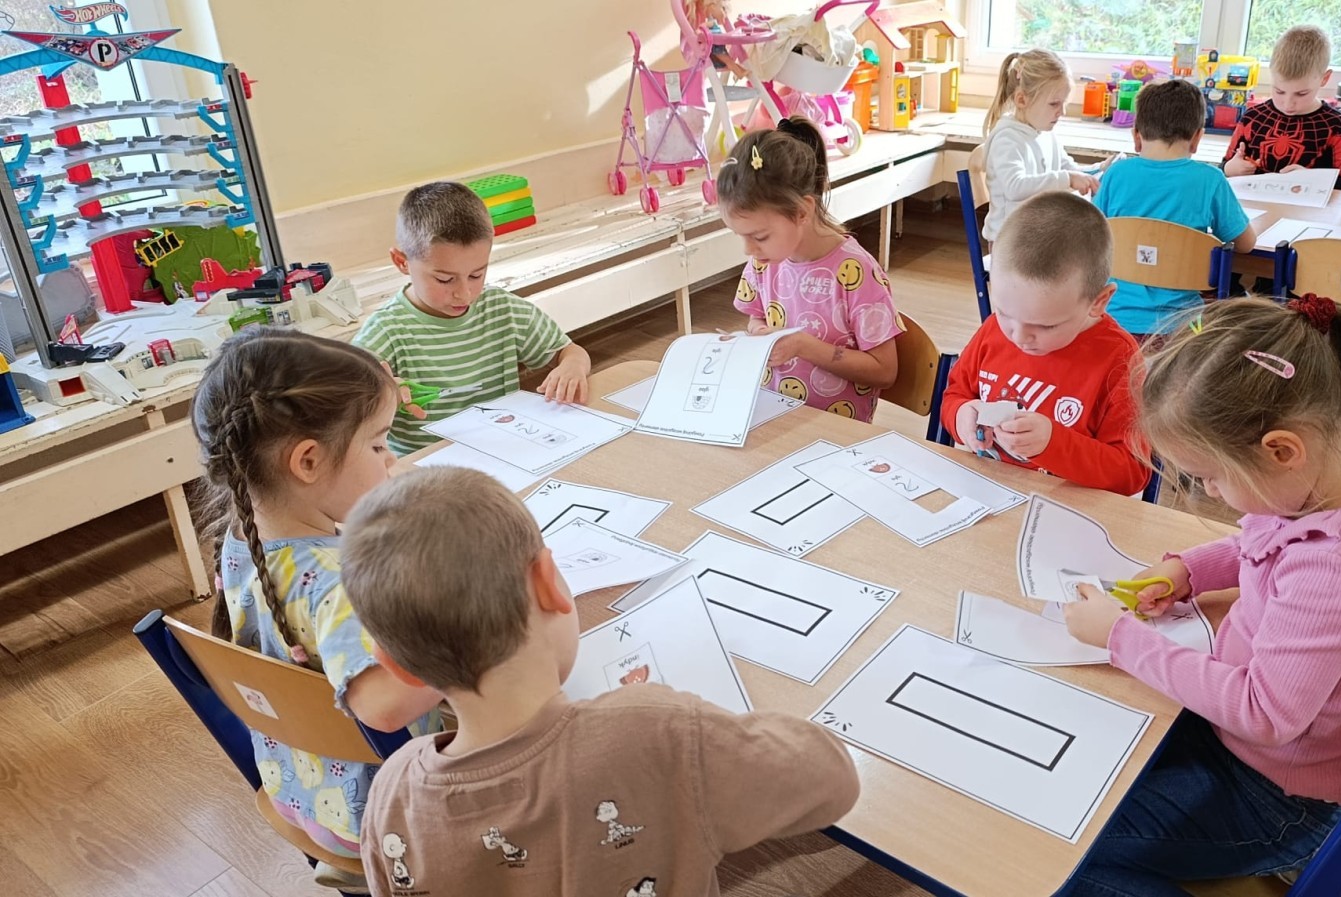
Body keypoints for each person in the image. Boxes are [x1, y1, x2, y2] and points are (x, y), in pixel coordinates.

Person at [1060, 295, 1341, 896]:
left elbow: (1265, 715)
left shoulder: (1340, 565)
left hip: (1269, 797)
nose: (1212, 493)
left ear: (1281, 450)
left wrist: (1121, 639)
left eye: (1210, 477)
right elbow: (1263, 540)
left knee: (1058, 847)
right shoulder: (1336, 477)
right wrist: (1188, 570)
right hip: (1232, 744)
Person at [342, 466, 860, 897]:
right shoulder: (659, 732)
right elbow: (832, 780)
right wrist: (701, 727)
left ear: (397, 665)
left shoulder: (392, 793)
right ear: (549, 583)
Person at [190, 328, 444, 891]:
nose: (391, 458)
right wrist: (475, 637)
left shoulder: (243, 537)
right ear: (307, 461)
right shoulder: (338, 583)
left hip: (298, 787)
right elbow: (384, 708)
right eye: (377, 445)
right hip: (378, 814)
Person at [354, 181, 591, 455]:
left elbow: (570, 351)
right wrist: (380, 397)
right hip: (425, 468)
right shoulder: (386, 330)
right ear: (402, 262)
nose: (464, 294)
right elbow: (340, 402)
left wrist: (573, 366)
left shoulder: (502, 309)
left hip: (503, 451)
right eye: (445, 279)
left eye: (477, 275)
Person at [940, 192, 1147, 495]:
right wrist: (961, 416)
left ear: (1098, 302)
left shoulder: (1120, 361)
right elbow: (955, 395)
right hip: (986, 495)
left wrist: (1053, 444)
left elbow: (1131, 473)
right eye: (1004, 312)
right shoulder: (995, 331)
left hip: (1065, 509)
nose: (1019, 337)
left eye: (1045, 325)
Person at [719, 118, 902, 422]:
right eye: (740, 235)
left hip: (835, 433)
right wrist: (760, 333)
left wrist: (804, 346)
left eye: (759, 236)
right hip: (773, 417)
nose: (748, 249)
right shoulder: (765, 261)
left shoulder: (855, 272)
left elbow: (885, 371)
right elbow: (756, 316)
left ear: (801, 211)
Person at [1095, 80, 1258, 338]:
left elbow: (1092, 235)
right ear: (1197, 138)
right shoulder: (1210, 180)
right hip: (1183, 327)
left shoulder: (1115, 174)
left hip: (1111, 318)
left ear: (1136, 135)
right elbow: (1246, 244)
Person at [981, 48, 1098, 241]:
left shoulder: (1045, 133)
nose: (1062, 112)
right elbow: (1015, 187)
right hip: (1009, 242)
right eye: (1054, 104)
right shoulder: (1007, 139)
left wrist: (1098, 170)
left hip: (1038, 235)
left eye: (1064, 103)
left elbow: (1069, 168)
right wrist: (1068, 179)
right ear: (1022, 100)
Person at [1223, 25, 1341, 186]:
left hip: (1305, 202)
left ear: (1324, 79)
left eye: (1301, 94)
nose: (1288, 103)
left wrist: (1311, 178)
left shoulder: (1335, 124)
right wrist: (1230, 168)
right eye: (1279, 91)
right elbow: (1224, 167)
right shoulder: (1252, 117)